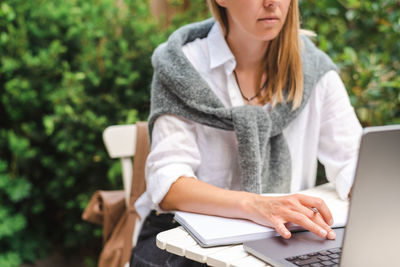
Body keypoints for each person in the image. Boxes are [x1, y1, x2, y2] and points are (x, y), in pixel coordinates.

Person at [130, 0, 362, 266]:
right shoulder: (181, 67)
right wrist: (256, 205)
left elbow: (352, 160)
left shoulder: (313, 69)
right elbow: (169, 184)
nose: (271, 3)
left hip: (282, 238)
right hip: (181, 240)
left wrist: (373, 190)